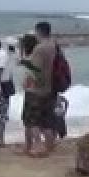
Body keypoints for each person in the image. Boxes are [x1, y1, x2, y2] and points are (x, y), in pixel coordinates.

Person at [20, 23, 59, 157]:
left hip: (36, 90)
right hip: (50, 88)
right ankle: (49, 145)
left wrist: (26, 82)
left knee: (33, 121)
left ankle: (38, 146)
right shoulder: (53, 46)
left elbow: (35, 70)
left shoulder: (39, 48)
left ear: (39, 32)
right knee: (47, 120)